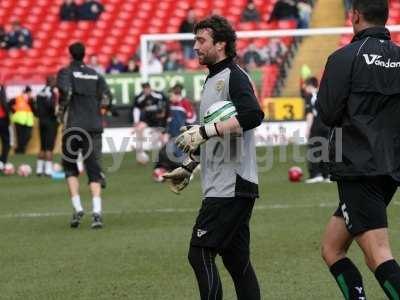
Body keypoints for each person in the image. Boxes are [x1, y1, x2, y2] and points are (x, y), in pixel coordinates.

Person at [163, 15, 264, 300]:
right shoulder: (211, 80)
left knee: (200, 253)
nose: (195, 46)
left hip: (230, 186)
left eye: (201, 40)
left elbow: (253, 115)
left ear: (220, 44)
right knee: (237, 262)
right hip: (226, 185)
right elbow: (211, 137)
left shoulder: (234, 76)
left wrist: (206, 130)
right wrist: (189, 165)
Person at [318, 1, 400, 299]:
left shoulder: (344, 58)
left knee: (377, 254)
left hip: (357, 166)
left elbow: (327, 113)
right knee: (332, 248)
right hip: (391, 168)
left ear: (354, 15)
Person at [57, 42, 113, 229]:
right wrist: (101, 112)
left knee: (70, 168)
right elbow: (107, 97)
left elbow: (66, 92)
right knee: (93, 170)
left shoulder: (66, 72)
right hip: (94, 126)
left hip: (74, 126)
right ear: (84, 54)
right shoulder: (95, 74)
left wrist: (60, 112)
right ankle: (97, 213)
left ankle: (78, 208)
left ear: (70, 54)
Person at [153, 83, 196, 180]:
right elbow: (169, 120)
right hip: (172, 135)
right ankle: (163, 170)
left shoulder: (185, 104)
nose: (170, 97)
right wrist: (166, 133)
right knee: (165, 153)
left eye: (171, 95)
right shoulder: (171, 105)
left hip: (181, 136)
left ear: (177, 95)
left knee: (174, 154)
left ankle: (185, 171)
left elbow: (192, 119)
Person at [131, 82, 169, 163]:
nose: (146, 90)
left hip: (159, 120)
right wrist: (136, 121)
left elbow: (166, 104)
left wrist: (165, 116)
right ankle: (140, 152)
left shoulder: (158, 95)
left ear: (150, 88)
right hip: (148, 119)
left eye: (147, 88)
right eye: (144, 89)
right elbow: (136, 108)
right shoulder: (140, 98)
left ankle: (165, 155)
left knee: (162, 138)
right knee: (139, 129)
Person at [303, 76, 330, 184]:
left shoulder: (310, 97)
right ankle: (327, 175)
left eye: (305, 86)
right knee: (326, 150)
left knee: (313, 151)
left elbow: (310, 114)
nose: (304, 88)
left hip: (316, 126)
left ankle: (316, 174)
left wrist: (307, 129)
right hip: (327, 125)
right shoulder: (325, 94)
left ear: (309, 85)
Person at [34, 75, 59, 176]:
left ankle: (39, 170)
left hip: (41, 121)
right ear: (51, 82)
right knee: (49, 147)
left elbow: (36, 108)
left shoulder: (40, 92)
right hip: (50, 122)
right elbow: (52, 107)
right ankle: (48, 170)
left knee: (42, 147)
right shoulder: (51, 93)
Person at [10, 86, 34, 154]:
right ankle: (20, 151)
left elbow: (33, 110)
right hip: (19, 120)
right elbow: (10, 104)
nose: (30, 94)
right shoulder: (18, 98)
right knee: (20, 137)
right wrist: (14, 111)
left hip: (29, 121)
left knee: (28, 136)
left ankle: (19, 149)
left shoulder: (31, 100)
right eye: (29, 92)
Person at [0, 84, 11, 170]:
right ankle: (3, 161)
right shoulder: (1, 87)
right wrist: (8, 117)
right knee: (6, 141)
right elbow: (4, 102)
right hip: (2, 118)